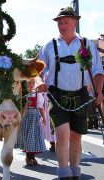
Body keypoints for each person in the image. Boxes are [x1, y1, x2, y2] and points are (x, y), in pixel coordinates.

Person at [38, 7, 104, 180]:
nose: (62, 25)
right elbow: (37, 71)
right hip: (56, 96)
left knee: (76, 137)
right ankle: (64, 173)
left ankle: (75, 171)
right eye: (60, 22)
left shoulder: (86, 44)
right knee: (62, 134)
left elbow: (97, 71)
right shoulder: (49, 46)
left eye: (66, 22)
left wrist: (99, 92)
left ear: (75, 22)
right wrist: (40, 82)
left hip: (81, 96)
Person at [15, 78, 46, 166]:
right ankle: (28, 157)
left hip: (34, 117)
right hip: (25, 117)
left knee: (34, 136)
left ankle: (32, 156)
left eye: (33, 82)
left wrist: (44, 118)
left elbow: (40, 106)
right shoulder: (22, 93)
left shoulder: (37, 93)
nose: (31, 84)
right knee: (27, 137)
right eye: (29, 83)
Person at [41, 73, 56, 152]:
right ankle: (49, 142)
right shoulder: (44, 73)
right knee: (45, 121)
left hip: (54, 96)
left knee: (52, 120)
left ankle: (53, 142)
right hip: (44, 97)